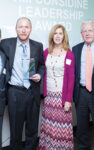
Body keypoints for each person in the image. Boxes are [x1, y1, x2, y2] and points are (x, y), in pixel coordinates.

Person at [0, 17, 44, 150]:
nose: (23, 30)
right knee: (15, 130)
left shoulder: (38, 46)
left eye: (26, 27)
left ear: (30, 29)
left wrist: (40, 74)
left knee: (32, 129)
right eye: (20, 27)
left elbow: (41, 65)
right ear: (16, 28)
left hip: (32, 91)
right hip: (15, 92)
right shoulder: (6, 44)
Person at [39, 24, 75, 150]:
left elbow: (71, 78)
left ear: (64, 36)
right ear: (52, 35)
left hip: (62, 96)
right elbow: (42, 69)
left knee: (61, 128)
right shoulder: (46, 52)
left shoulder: (69, 54)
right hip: (49, 96)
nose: (58, 36)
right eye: (55, 33)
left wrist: (68, 100)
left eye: (60, 33)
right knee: (49, 126)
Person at [72, 20, 94, 150]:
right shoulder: (76, 49)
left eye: (90, 30)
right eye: (84, 31)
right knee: (81, 127)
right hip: (81, 93)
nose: (87, 33)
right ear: (81, 34)